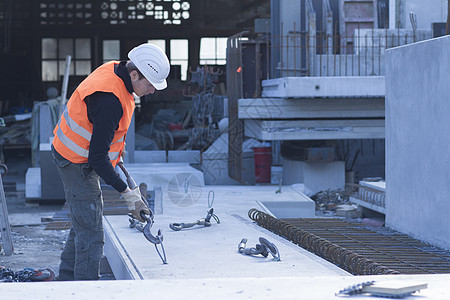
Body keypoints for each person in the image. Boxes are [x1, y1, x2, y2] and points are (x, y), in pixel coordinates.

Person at [51, 43, 170, 280]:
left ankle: (64, 282)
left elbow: (103, 134)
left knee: (83, 220)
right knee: (92, 233)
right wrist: (128, 196)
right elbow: (97, 158)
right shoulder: (109, 100)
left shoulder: (117, 70)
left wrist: (116, 151)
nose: (152, 91)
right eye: (149, 84)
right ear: (135, 74)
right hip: (76, 161)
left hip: (76, 153)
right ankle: (85, 290)